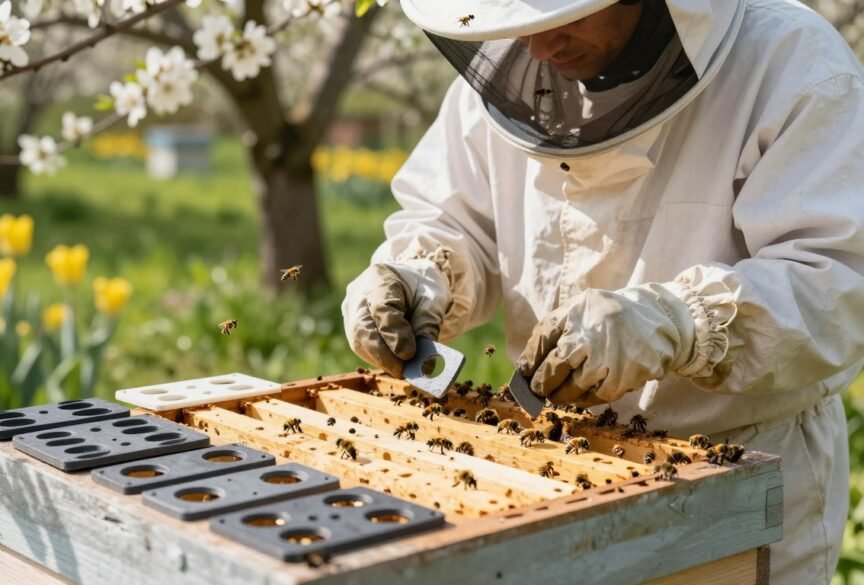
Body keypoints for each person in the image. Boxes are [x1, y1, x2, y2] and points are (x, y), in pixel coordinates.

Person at [341, 0, 862, 582]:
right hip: (554, 464)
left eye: (563, 15)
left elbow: (834, 282)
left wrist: (675, 322)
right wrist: (416, 277)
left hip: (743, 460)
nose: (538, 48)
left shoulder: (791, 62)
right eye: (518, 22)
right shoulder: (502, 75)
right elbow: (455, 222)